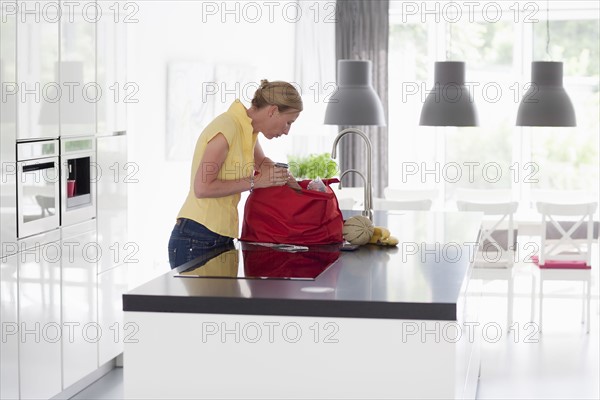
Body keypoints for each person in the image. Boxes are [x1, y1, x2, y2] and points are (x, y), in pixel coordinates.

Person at [168, 79, 303, 269]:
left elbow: (263, 163)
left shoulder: (248, 129)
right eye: (288, 122)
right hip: (196, 237)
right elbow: (202, 187)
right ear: (272, 110)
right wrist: (256, 182)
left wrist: (296, 186)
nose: (287, 131)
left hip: (222, 236)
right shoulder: (227, 127)